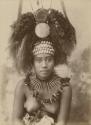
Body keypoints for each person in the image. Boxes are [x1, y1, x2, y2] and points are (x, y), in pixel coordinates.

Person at [10, 2, 76, 125]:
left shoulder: (65, 88)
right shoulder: (22, 86)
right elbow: (15, 119)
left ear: (55, 60)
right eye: (39, 60)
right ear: (32, 62)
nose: (44, 65)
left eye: (49, 59)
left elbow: (62, 122)